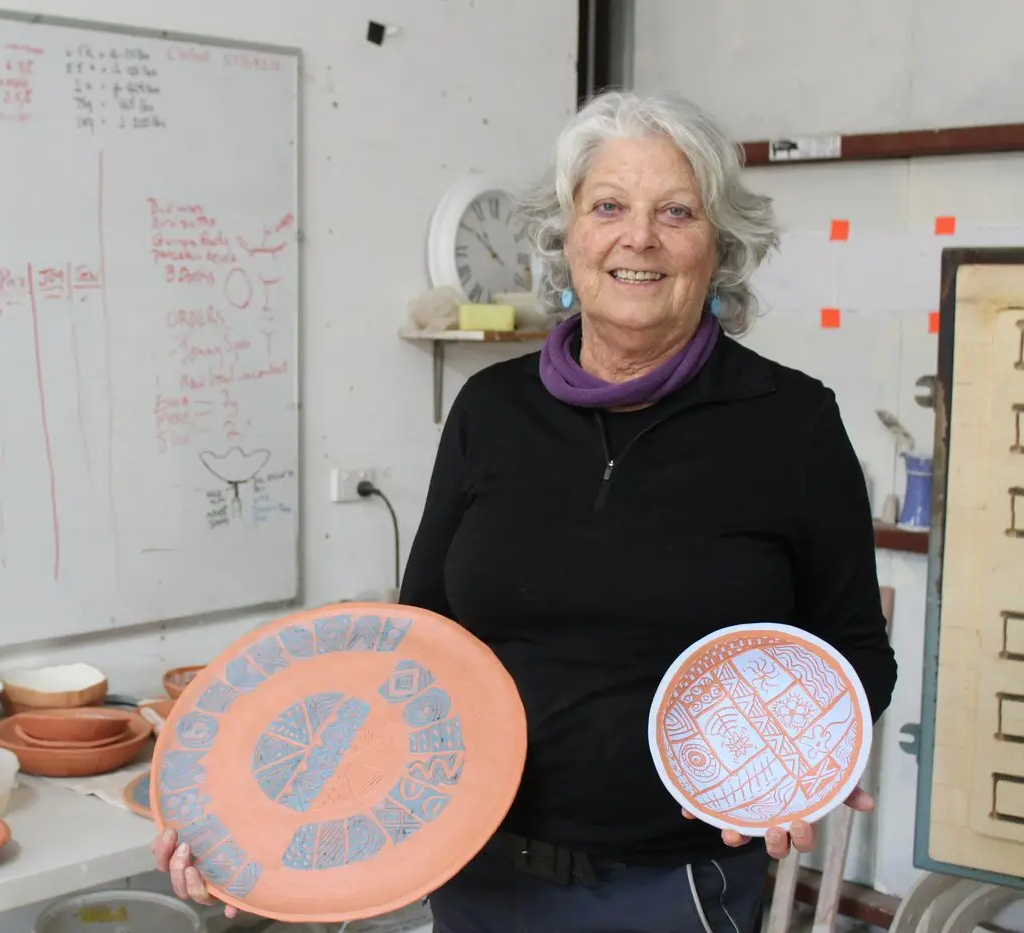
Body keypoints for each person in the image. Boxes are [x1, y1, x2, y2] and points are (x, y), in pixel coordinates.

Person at [151, 90, 898, 932]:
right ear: (568, 233)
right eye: (608, 205)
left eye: (676, 212)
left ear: (719, 243)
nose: (637, 237)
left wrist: (804, 765)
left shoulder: (788, 422)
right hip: (474, 869)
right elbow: (413, 646)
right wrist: (258, 832)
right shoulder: (491, 410)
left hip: (668, 883)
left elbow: (855, 649)